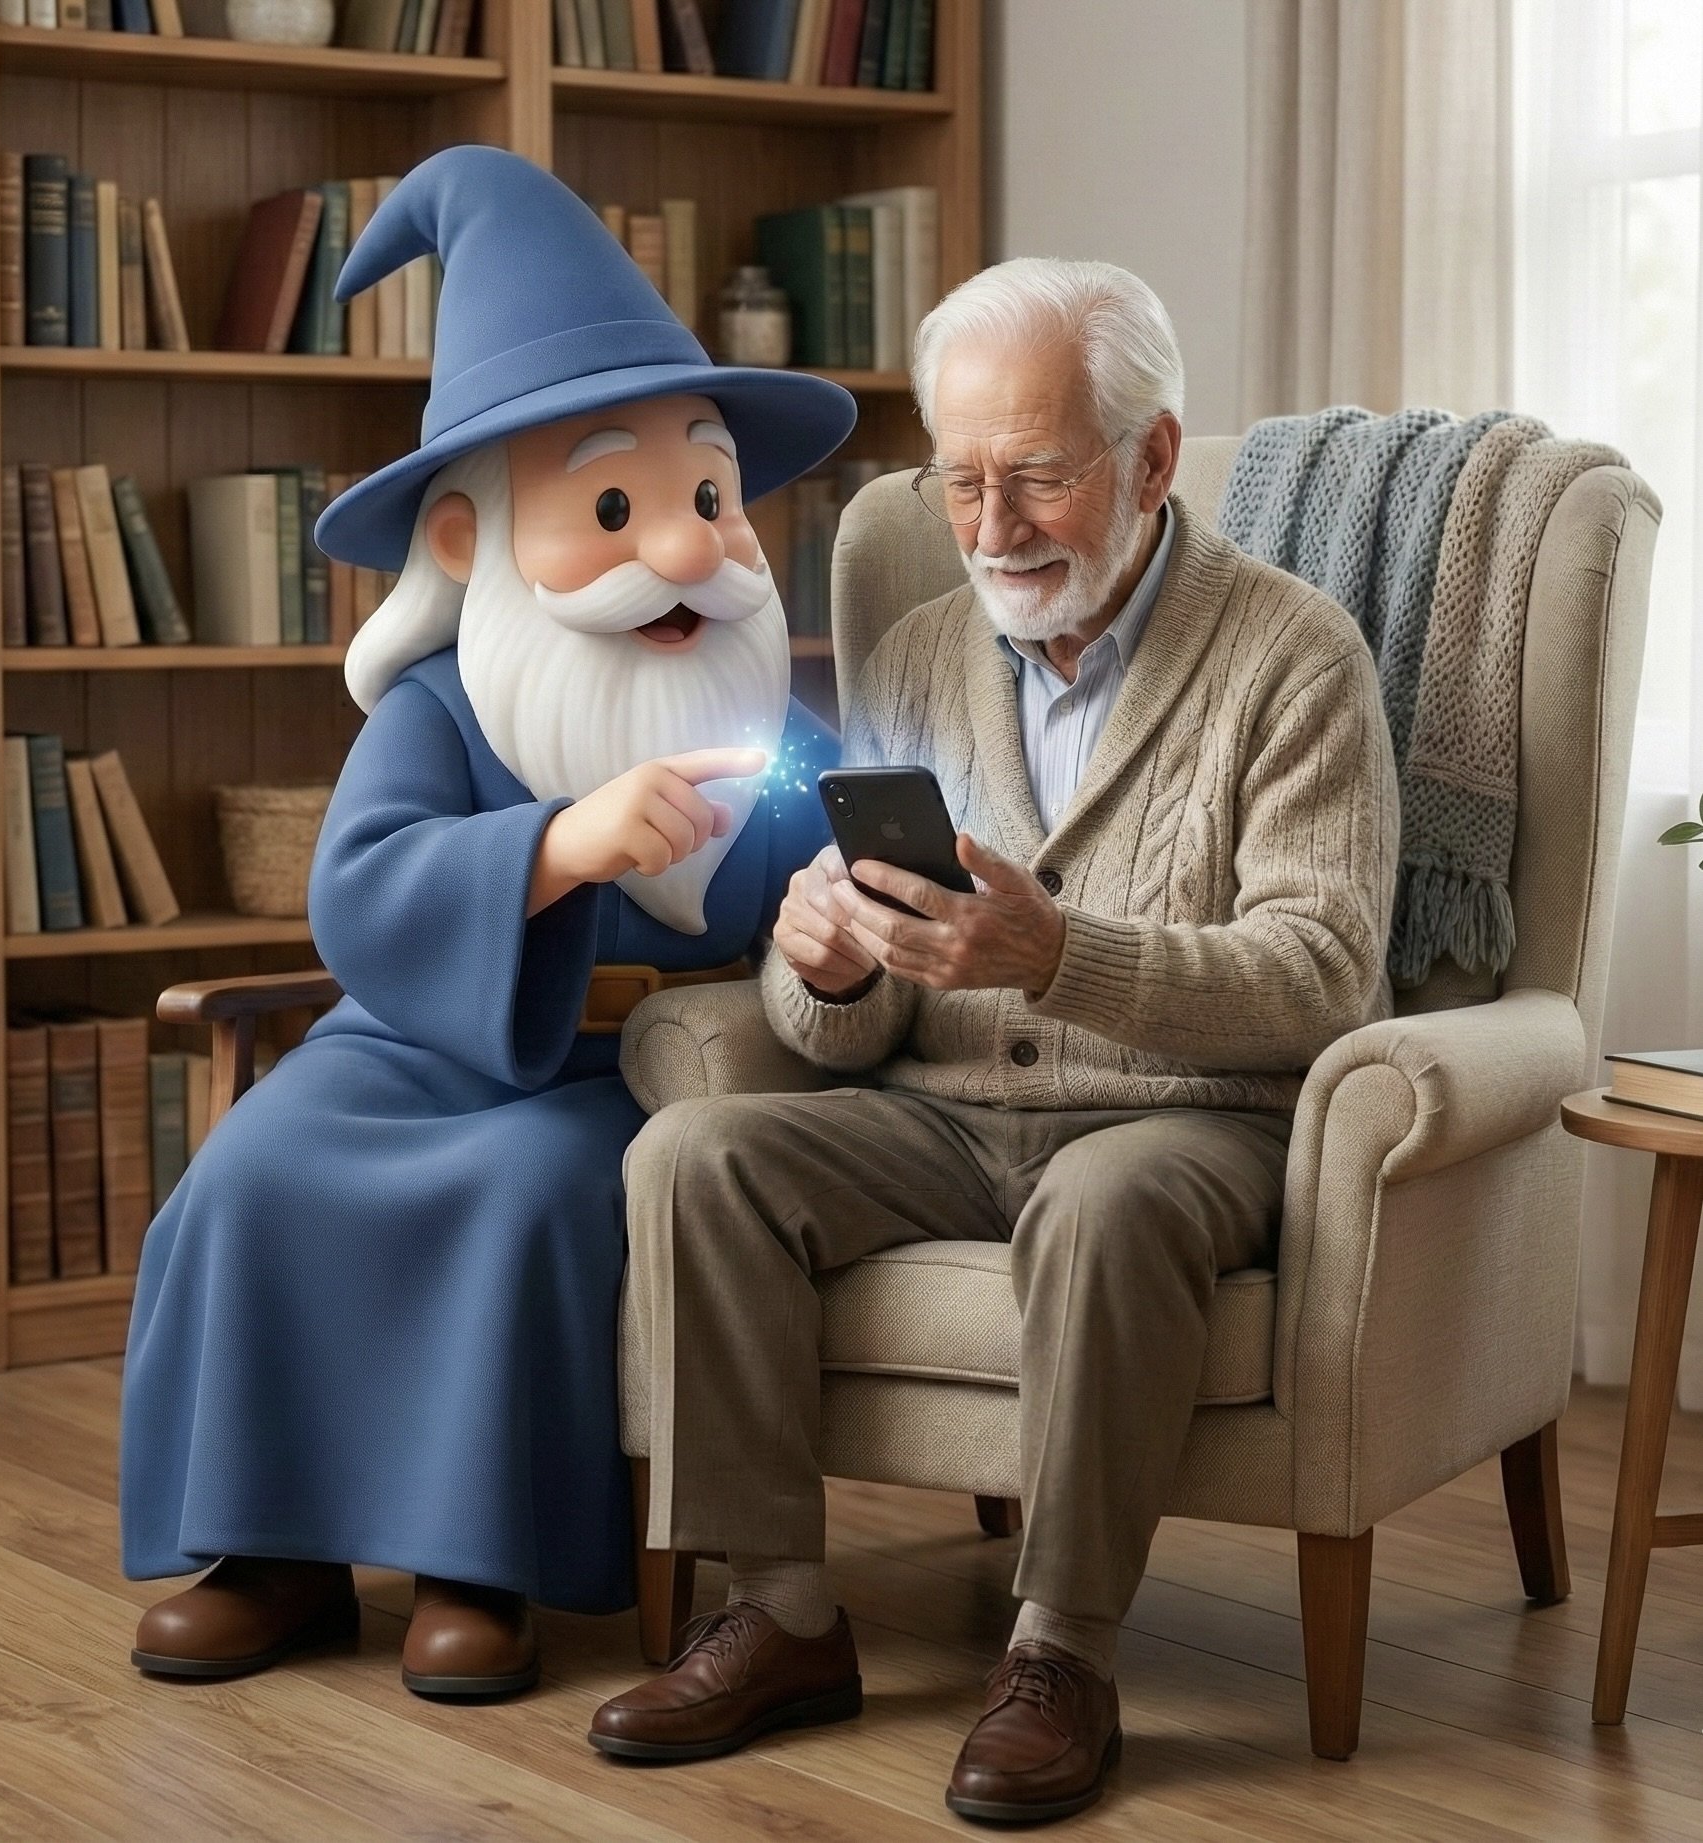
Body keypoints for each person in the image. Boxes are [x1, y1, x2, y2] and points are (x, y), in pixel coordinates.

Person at [593, 258, 1400, 1824]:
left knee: (1105, 1199)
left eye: (1033, 476)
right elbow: (850, 1024)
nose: (990, 526)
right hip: (946, 1119)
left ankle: (1060, 1655)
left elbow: (1324, 979)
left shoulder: (1296, 659)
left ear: (1150, 459)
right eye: (959, 481)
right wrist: (824, 968)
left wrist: (1063, 956)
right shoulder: (912, 658)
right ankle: (778, 1614)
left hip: (1188, 1123)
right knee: (695, 1153)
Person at [119, 146, 852, 1699]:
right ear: (469, 541)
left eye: (709, 497)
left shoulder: (768, 731)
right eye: (615, 504)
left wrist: (843, 908)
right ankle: (270, 1554)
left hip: (624, 1074)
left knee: (525, 1206)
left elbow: (837, 881)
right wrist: (554, 847)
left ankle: (479, 1563)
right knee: (247, 1175)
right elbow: (356, 887)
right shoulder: (442, 711)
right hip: (407, 1047)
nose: (686, 551)